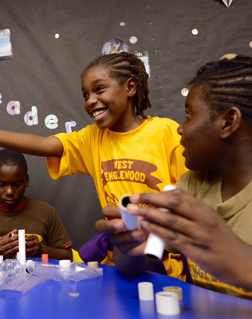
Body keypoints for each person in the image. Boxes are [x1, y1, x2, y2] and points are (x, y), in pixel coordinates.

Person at [0, 52, 188, 264]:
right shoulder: (94, 138)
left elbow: (187, 198)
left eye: (99, 89)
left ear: (130, 88)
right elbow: (47, 145)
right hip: (119, 263)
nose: (91, 100)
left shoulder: (165, 132)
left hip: (165, 263)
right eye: (85, 95)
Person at [96, 54, 252, 299]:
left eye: (189, 114)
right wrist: (128, 246)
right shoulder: (192, 184)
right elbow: (135, 266)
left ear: (228, 122)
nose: (180, 127)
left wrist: (239, 258)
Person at [0, 148, 73, 267]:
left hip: (41, 283)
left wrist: (42, 250)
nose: (10, 192)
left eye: (17, 185)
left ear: (26, 180)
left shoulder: (46, 212)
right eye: (1, 185)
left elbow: (68, 257)